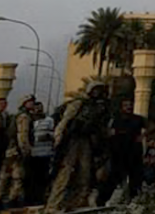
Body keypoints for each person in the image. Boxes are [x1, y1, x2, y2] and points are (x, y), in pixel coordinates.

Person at [45, 81, 113, 214]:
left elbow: (102, 127)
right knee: (65, 172)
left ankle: (77, 201)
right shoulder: (79, 103)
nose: (99, 93)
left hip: (86, 141)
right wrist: (58, 138)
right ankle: (53, 205)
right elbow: (65, 121)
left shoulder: (101, 107)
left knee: (85, 173)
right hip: (72, 140)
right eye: (96, 90)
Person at [97, 97, 146, 205]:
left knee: (135, 178)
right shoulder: (115, 119)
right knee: (114, 177)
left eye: (130, 105)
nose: (128, 107)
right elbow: (106, 132)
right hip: (118, 153)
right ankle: (101, 201)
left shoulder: (138, 119)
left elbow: (150, 126)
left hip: (134, 152)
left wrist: (142, 136)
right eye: (126, 105)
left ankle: (134, 201)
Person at [0, 95, 33, 210]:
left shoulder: (12, 116)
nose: (32, 104)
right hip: (15, 151)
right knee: (17, 177)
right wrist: (25, 150)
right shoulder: (24, 117)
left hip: (8, 151)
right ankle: (11, 200)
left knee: (4, 176)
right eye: (29, 102)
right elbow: (23, 135)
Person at [27, 100, 53, 206]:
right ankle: (31, 199)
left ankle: (40, 198)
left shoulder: (49, 120)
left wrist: (48, 136)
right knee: (32, 178)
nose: (38, 110)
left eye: (40, 107)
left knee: (43, 177)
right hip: (33, 153)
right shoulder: (30, 120)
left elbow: (55, 132)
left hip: (45, 153)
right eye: (36, 108)